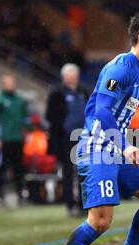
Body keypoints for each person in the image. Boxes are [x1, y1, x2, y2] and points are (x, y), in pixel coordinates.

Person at [43, 13, 139, 245]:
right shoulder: (121, 67)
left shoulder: (138, 70)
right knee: (100, 221)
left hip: (113, 148)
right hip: (97, 148)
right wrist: (125, 147)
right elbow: (101, 111)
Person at [45, 63, 89, 217]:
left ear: (77, 76)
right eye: (68, 75)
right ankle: (70, 203)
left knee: (85, 171)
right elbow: (50, 115)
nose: (70, 77)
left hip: (84, 138)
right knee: (68, 172)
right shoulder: (57, 93)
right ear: (63, 77)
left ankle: (85, 204)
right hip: (66, 139)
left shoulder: (84, 91)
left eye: (73, 74)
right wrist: (62, 127)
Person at [0, 74, 29, 206]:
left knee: (19, 168)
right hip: (4, 139)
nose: (11, 85)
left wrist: (28, 132)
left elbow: (25, 119)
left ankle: (20, 195)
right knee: (1, 168)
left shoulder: (19, 100)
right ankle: (0, 196)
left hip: (17, 139)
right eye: (8, 83)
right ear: (3, 84)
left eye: (12, 82)